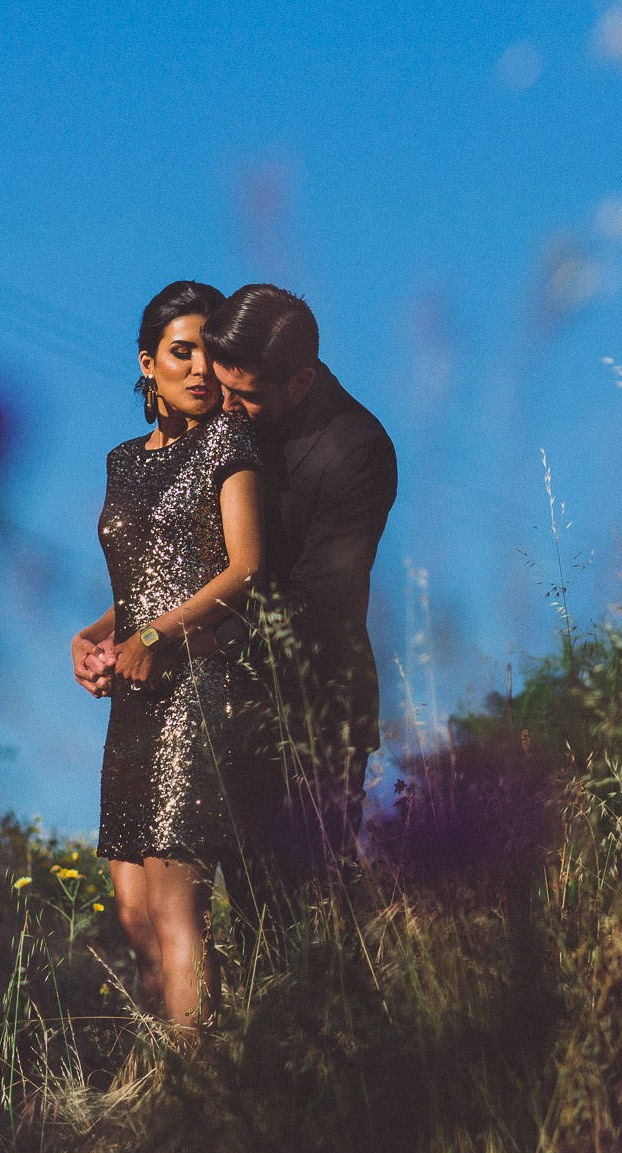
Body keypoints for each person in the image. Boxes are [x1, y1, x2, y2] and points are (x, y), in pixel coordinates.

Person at [70, 280, 263, 1031]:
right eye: (182, 353)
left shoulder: (231, 443)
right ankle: (159, 1091)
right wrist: (96, 638)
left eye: (212, 355)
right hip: (133, 704)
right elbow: (148, 577)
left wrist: (154, 636)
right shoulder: (122, 461)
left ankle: (197, 1114)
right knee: (134, 914)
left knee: (179, 910)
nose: (200, 370)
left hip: (195, 689)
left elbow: (242, 567)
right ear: (146, 363)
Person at [200, 284, 397, 940]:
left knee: (308, 922)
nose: (226, 406)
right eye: (222, 387)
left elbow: (322, 601)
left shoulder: (358, 449)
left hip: (314, 712)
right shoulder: (226, 417)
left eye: (245, 394)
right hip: (220, 701)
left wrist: (202, 626)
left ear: (301, 379)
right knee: (247, 918)